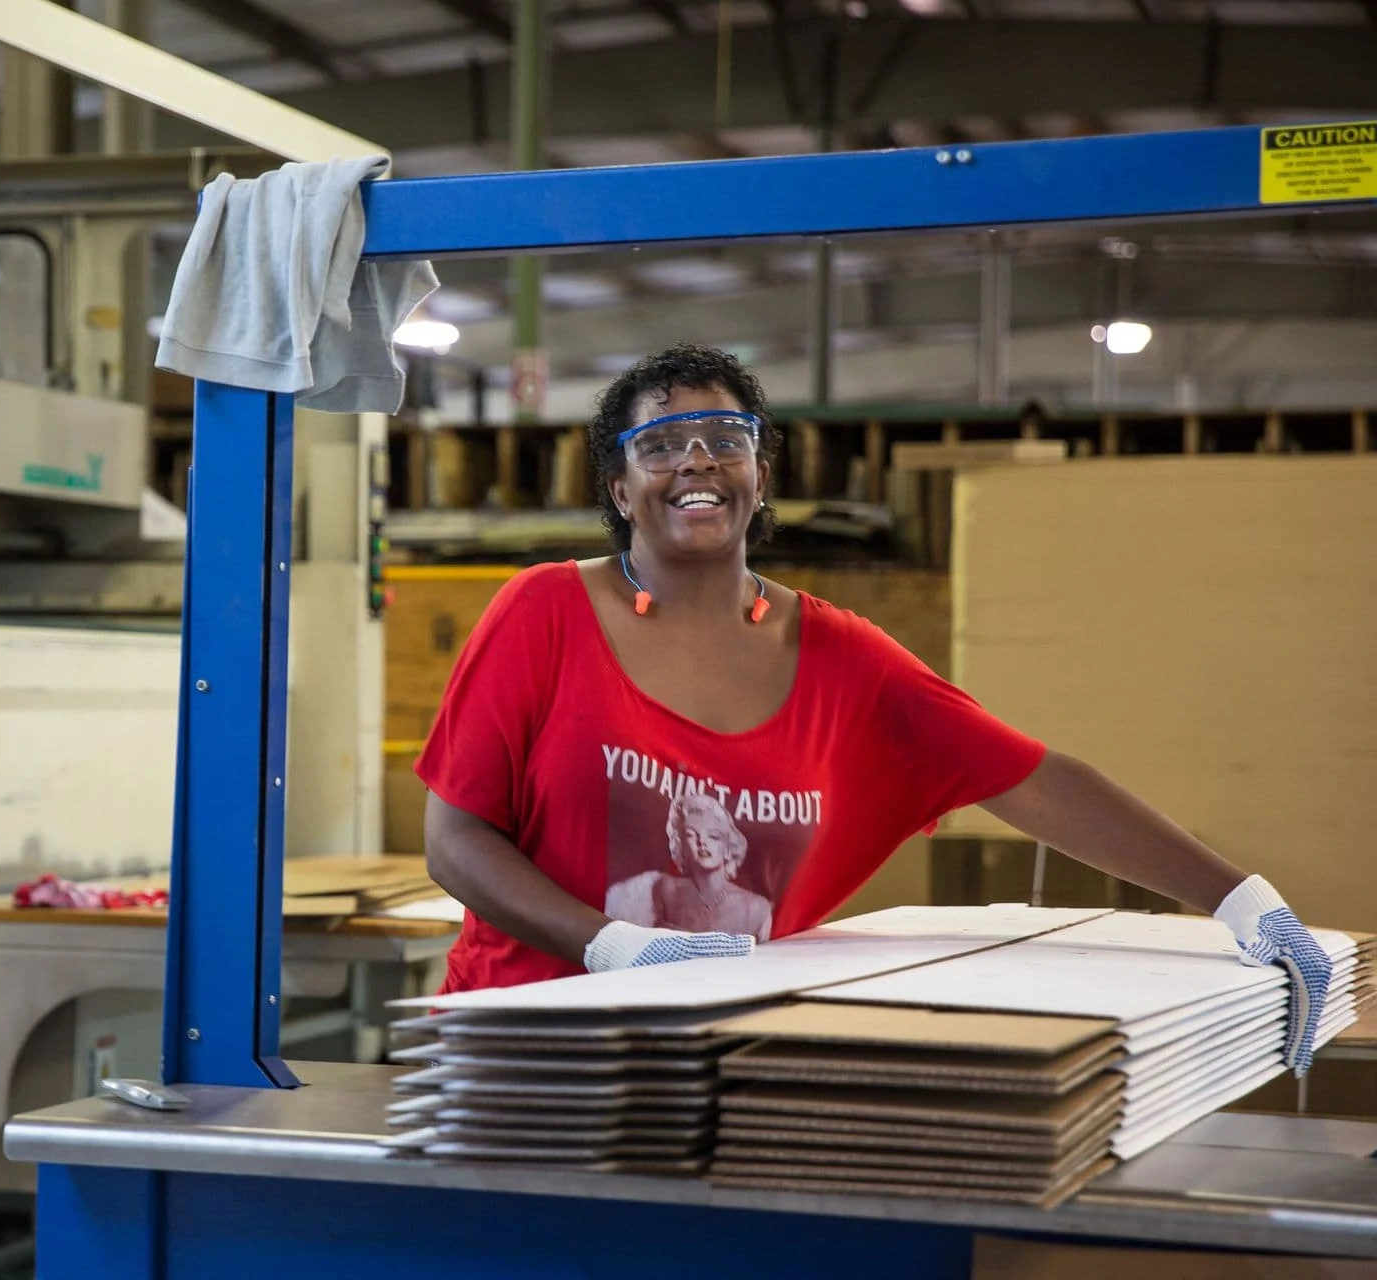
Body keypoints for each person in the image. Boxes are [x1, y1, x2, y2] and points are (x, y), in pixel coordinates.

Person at [415, 341, 1333, 1072]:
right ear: (620, 489)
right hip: (524, 1050)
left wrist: (1243, 902)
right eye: (659, 445)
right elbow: (456, 841)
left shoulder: (843, 657)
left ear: (760, 478)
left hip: (722, 1061)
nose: (696, 460)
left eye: (726, 439)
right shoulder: (542, 612)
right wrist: (611, 946)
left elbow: (1033, 779)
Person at [607, 790, 774, 941]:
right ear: (681, 847)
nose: (702, 842)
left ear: (729, 849)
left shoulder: (756, 908)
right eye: (691, 835)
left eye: (713, 836)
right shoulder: (666, 891)